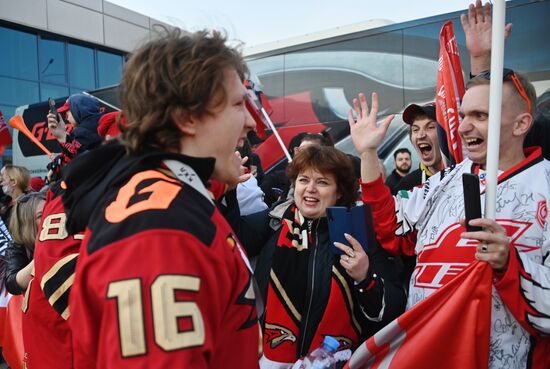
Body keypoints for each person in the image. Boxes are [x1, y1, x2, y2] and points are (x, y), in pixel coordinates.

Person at [62, 29, 260, 369]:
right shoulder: (160, 230)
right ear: (187, 118)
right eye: (238, 104)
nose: (252, 122)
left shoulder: (174, 205)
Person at [349, 66, 549, 367]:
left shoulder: (545, 184)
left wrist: (509, 265)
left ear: (521, 124)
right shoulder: (444, 180)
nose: (463, 127)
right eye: (464, 115)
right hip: (424, 354)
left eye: (480, 116)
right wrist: (367, 153)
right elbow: (390, 229)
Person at [230, 145, 406, 369]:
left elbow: (393, 310)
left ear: (339, 191)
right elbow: (229, 241)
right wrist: (226, 189)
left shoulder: (358, 233)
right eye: (304, 180)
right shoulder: (274, 221)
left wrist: (365, 278)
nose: (310, 189)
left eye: (322, 182)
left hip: (334, 362)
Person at [394, 103, 443, 193]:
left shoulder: (467, 176)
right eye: (415, 129)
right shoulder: (406, 186)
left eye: (430, 127)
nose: (420, 135)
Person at [4, 192, 46, 295]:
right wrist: (44, 252)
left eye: (50, 212)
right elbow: (12, 284)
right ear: (27, 223)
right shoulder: (17, 245)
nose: (48, 217)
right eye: (41, 215)